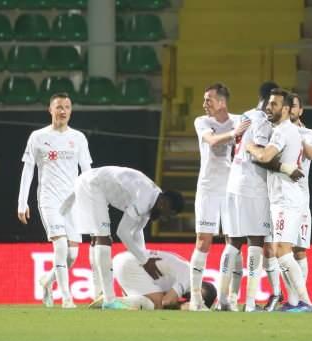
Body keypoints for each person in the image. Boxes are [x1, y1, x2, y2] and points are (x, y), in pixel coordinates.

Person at [61, 166, 185, 309]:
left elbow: (137, 232)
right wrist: (144, 260)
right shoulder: (144, 199)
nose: (165, 218)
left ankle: (99, 294)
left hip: (93, 184)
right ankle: (109, 300)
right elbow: (123, 232)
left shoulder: (154, 200)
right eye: (168, 214)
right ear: (164, 203)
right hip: (91, 184)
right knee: (103, 239)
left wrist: (142, 261)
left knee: (99, 239)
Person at [18, 92, 93, 309]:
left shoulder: (78, 138)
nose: (63, 111)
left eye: (67, 107)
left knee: (72, 254)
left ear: (71, 111)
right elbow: (28, 170)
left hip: (72, 202)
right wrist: (23, 202)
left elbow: (87, 171)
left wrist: (92, 199)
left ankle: (47, 282)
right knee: (60, 246)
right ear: (50, 109)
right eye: (59, 107)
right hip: (49, 199)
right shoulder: (38, 137)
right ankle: (67, 298)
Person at [246, 88, 312, 312]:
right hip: (283, 197)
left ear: (285, 109)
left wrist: (250, 147)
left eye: (274, 104)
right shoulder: (286, 130)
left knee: (283, 251)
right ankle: (295, 302)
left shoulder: (282, 131)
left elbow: (265, 157)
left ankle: (305, 302)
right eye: (268, 104)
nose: (268, 107)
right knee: (282, 250)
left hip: (285, 198)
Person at [188, 83, 250, 311]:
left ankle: (231, 298)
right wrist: (235, 134)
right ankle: (195, 299)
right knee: (203, 241)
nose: (205, 104)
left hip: (233, 190)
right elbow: (212, 141)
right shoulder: (202, 122)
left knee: (234, 243)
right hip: (208, 189)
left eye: (209, 100)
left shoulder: (239, 120)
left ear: (222, 102)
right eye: (204, 100)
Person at [217, 82, 278, 312]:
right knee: (256, 241)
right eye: (275, 102)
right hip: (253, 187)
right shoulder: (263, 119)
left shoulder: (246, 115)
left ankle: (222, 300)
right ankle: (251, 303)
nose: (276, 107)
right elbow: (260, 155)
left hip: (233, 184)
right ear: (268, 99)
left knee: (233, 241)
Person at [89, 249, 217, 311]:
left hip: (126, 260)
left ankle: (112, 300)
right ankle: (109, 300)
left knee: (145, 304)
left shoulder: (189, 271)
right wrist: (181, 307)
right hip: (131, 266)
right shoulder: (189, 277)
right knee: (157, 304)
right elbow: (166, 301)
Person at [290, 93, 312, 283]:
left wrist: (294, 134)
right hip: (277, 198)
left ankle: (301, 297)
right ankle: (283, 295)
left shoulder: (309, 134)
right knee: (276, 250)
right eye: (287, 105)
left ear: (301, 110)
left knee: (299, 250)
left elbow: (310, 154)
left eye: (294, 106)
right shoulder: (275, 132)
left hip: (300, 199)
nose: (290, 109)